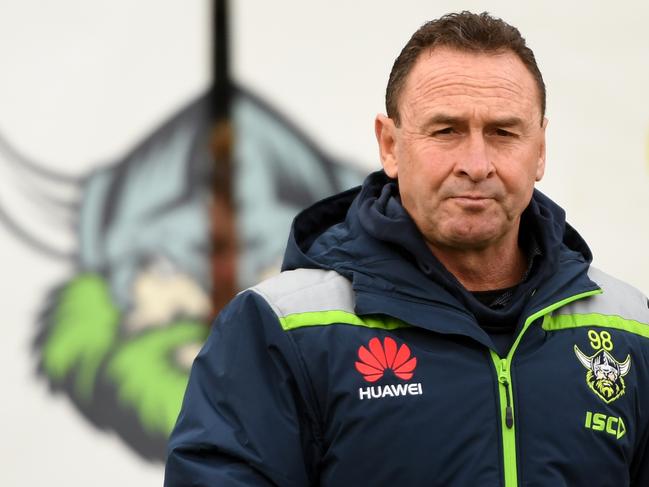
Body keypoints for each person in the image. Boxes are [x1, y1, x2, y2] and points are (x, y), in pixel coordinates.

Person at [165, 11, 649, 486]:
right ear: (390, 145)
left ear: (540, 148)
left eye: (503, 132)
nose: (476, 164)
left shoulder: (632, 329)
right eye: (446, 131)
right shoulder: (282, 329)